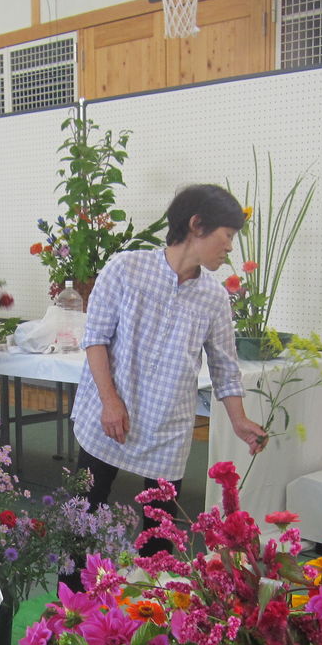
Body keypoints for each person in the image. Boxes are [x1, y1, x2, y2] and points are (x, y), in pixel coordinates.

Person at [70, 183, 267, 549]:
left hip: (167, 425)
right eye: (227, 235)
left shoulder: (213, 296)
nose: (230, 247)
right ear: (197, 225)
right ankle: (71, 586)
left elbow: (225, 367)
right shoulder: (126, 268)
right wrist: (109, 401)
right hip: (111, 412)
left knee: (160, 535)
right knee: (84, 512)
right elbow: (95, 338)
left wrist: (239, 420)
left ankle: (152, 588)